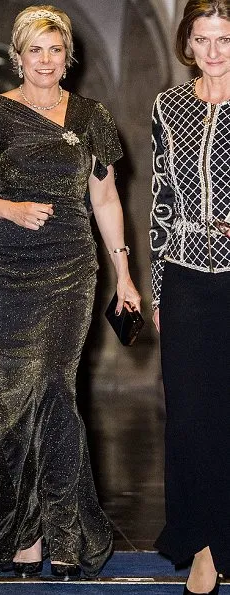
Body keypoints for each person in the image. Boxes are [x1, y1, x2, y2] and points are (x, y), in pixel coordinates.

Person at [0, 4, 140, 579]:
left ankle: (66, 535)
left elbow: (105, 200)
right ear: (19, 55)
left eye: (56, 49)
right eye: (36, 49)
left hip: (72, 267)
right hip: (5, 269)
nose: (47, 60)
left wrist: (124, 272)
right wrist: (8, 208)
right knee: (18, 400)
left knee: (55, 388)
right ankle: (26, 533)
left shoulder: (91, 116)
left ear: (67, 56)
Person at [150, 1, 230, 593]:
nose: (213, 51)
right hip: (183, 275)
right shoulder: (167, 105)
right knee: (191, 415)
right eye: (201, 39)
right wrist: (155, 289)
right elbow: (160, 203)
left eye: (224, 38)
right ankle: (202, 541)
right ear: (187, 44)